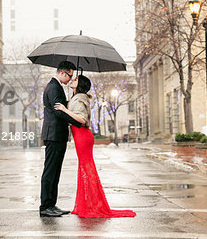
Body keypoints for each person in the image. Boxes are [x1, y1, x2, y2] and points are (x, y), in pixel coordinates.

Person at [54, 75, 136, 218]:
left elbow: (82, 119)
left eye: (76, 79)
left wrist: (65, 110)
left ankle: (93, 205)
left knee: (87, 170)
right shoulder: (77, 97)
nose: (72, 80)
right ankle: (86, 204)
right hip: (81, 136)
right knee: (84, 170)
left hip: (83, 137)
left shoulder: (80, 98)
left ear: (80, 85)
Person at [39, 61, 82, 217]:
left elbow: (63, 106)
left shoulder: (56, 87)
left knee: (55, 171)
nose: (71, 79)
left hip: (57, 135)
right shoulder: (54, 87)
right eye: (70, 75)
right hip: (54, 135)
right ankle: (45, 206)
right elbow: (59, 111)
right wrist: (78, 122)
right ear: (63, 72)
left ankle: (51, 204)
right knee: (50, 171)